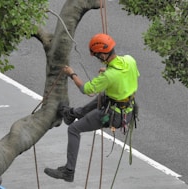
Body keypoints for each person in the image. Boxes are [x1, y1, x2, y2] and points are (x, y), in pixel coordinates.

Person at [44, 33, 140, 182]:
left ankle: (69, 171)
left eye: (97, 56)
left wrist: (72, 74)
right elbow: (127, 76)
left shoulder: (109, 76)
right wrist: (108, 71)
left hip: (113, 115)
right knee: (103, 97)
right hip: (126, 108)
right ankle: (71, 114)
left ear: (102, 55)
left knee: (74, 129)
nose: (97, 58)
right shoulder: (130, 60)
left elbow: (86, 89)